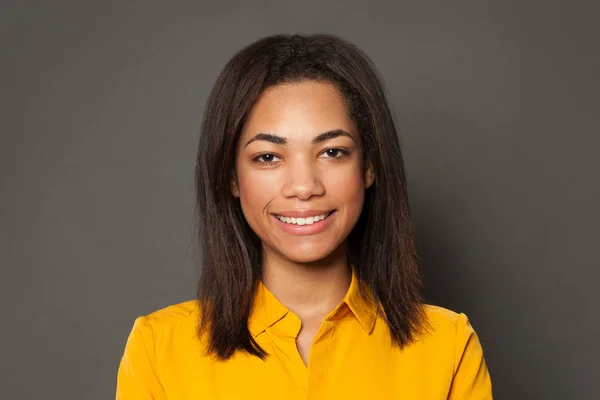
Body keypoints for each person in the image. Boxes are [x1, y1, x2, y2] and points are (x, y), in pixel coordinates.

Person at [116, 33, 493, 399]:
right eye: (268, 157)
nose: (303, 186)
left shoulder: (448, 347)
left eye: (332, 152)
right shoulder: (159, 350)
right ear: (232, 177)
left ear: (369, 167)